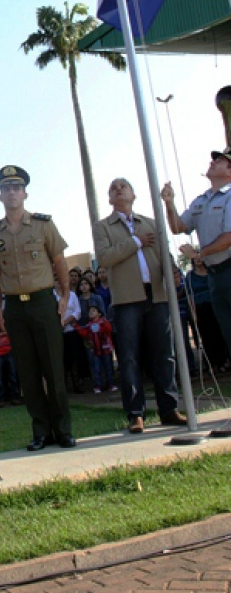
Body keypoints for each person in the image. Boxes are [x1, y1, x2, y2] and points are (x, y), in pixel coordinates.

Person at [0, 166, 75, 451]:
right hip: (15, 309)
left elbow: (59, 261)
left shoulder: (43, 224)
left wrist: (64, 295)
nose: (12, 193)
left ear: (25, 193)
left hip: (43, 303)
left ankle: (63, 430)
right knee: (28, 372)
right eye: (6, 189)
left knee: (53, 369)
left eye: (17, 188)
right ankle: (40, 431)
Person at [93, 178, 186, 434]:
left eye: (124, 185)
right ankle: (136, 413)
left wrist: (173, 271)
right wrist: (135, 242)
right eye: (113, 187)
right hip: (126, 299)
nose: (119, 188)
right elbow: (105, 257)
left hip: (156, 295)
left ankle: (169, 408)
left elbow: (163, 255)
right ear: (110, 199)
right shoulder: (103, 227)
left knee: (164, 354)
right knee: (130, 357)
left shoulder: (151, 223)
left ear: (134, 195)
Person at [162, 148, 231, 357]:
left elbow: (229, 237)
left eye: (220, 160)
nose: (213, 162)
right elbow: (178, 226)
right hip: (215, 275)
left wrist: (199, 254)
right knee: (228, 331)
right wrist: (169, 203)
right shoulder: (201, 201)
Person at [75, 305, 116, 393]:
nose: (91, 312)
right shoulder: (89, 325)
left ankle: (110, 384)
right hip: (95, 350)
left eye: (93, 311)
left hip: (106, 349)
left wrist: (104, 323)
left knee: (108, 368)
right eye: (90, 312)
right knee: (96, 369)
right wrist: (76, 326)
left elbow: (109, 329)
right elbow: (84, 333)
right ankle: (98, 385)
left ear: (99, 313)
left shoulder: (104, 322)